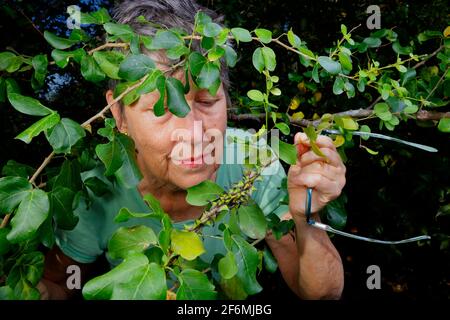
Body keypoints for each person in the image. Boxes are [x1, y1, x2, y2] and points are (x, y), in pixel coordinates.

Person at [38, 0, 346, 300]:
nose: (194, 133)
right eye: (161, 109)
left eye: (207, 101)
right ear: (119, 115)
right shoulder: (93, 190)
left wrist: (306, 215)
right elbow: (59, 283)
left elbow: (322, 293)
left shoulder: (253, 162)